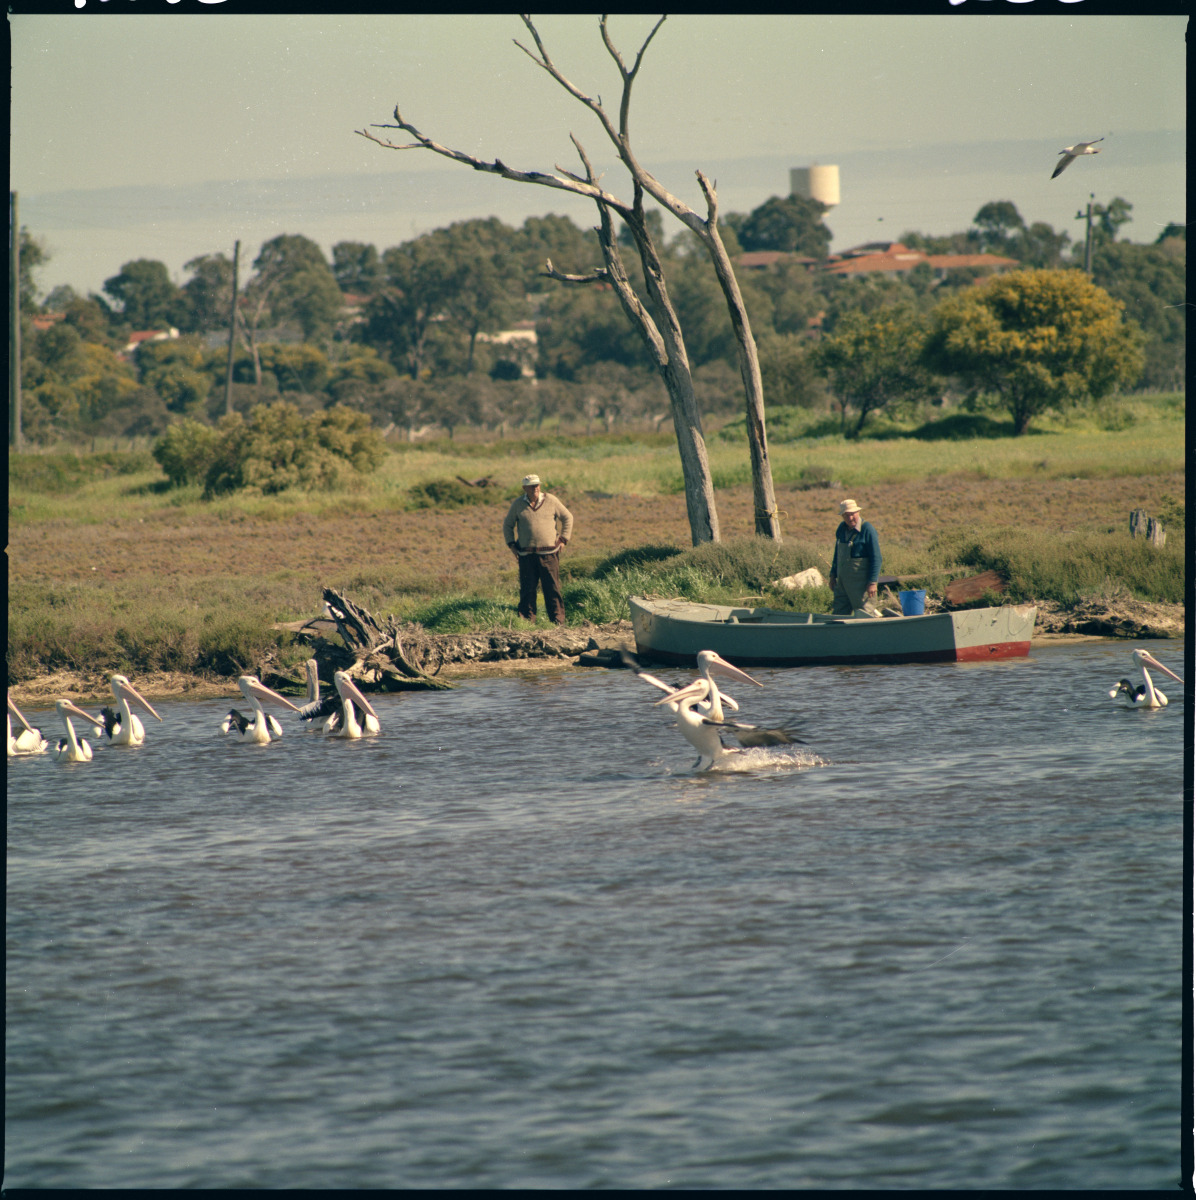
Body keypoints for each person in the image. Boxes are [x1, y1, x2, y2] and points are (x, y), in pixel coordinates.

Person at [502, 474, 574, 626]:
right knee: (527, 590)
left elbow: (568, 517)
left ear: (540, 486)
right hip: (526, 555)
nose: (535, 488)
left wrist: (563, 539)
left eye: (537, 485)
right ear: (524, 488)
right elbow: (507, 525)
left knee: (552, 588)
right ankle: (526, 623)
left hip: (549, 554)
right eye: (531, 485)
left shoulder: (551, 500)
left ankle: (558, 623)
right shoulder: (517, 504)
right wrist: (511, 545)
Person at [828, 498, 882, 616]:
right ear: (842, 516)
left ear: (858, 512)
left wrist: (873, 582)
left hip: (861, 586)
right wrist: (832, 575)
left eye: (852, 514)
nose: (850, 518)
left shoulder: (867, 529)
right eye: (846, 515)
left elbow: (876, 558)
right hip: (842, 584)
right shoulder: (841, 529)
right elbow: (837, 554)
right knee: (838, 615)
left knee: (865, 614)